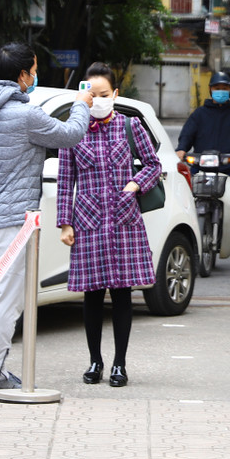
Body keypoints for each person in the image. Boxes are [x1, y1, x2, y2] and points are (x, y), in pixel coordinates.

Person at [0, 42, 92, 394]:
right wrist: (80, 106)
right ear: (21, 75)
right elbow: (70, 135)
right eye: (34, 69)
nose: (35, 75)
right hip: (13, 220)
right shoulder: (26, 116)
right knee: (6, 300)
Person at [57, 62, 160, 387]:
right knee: (91, 296)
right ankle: (94, 361)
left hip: (124, 221)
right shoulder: (73, 130)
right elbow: (65, 179)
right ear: (83, 95)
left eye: (104, 94)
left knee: (122, 294)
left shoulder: (130, 127)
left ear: (115, 94)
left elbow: (153, 164)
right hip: (87, 222)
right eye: (92, 94)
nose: (98, 99)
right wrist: (65, 222)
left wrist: (135, 184)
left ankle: (119, 364)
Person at [176, 71, 230, 275]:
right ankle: (186, 254)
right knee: (185, 210)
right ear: (210, 90)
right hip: (200, 170)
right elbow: (186, 136)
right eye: (217, 88)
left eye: (224, 88)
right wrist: (180, 150)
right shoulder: (199, 114)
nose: (220, 92)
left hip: (227, 172)